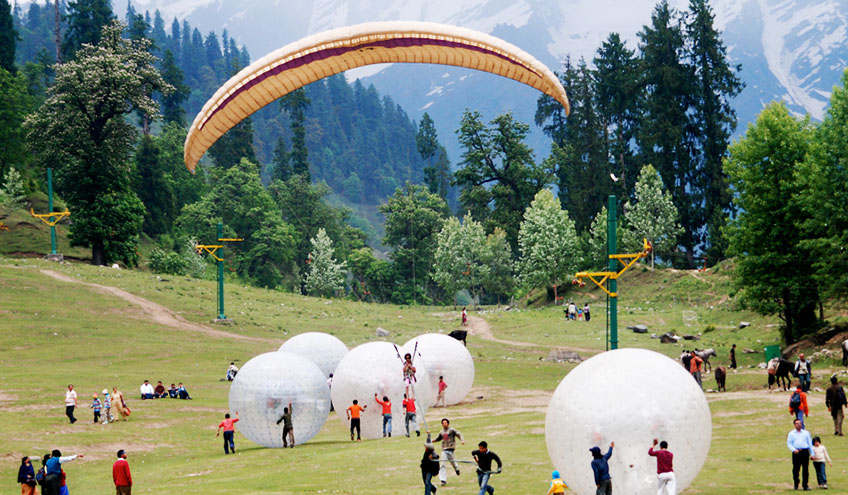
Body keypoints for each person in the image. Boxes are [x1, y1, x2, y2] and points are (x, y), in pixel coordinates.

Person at [429, 418, 464, 486]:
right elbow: (438, 438)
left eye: (445, 423)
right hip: (444, 449)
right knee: (442, 464)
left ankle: (456, 468)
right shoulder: (441, 432)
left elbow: (459, 434)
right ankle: (443, 480)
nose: (444, 424)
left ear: (448, 423)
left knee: (453, 462)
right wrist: (433, 440)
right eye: (443, 423)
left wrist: (462, 440)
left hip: (451, 449)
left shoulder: (452, 430)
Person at [787, 418, 814, 490]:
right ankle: (796, 484)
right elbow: (789, 443)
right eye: (797, 423)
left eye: (800, 423)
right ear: (794, 425)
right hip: (796, 452)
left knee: (805, 469)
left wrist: (812, 454)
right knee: (796, 469)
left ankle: (805, 485)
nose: (799, 424)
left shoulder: (806, 433)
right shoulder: (791, 433)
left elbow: (810, 444)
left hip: (805, 452)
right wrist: (793, 450)